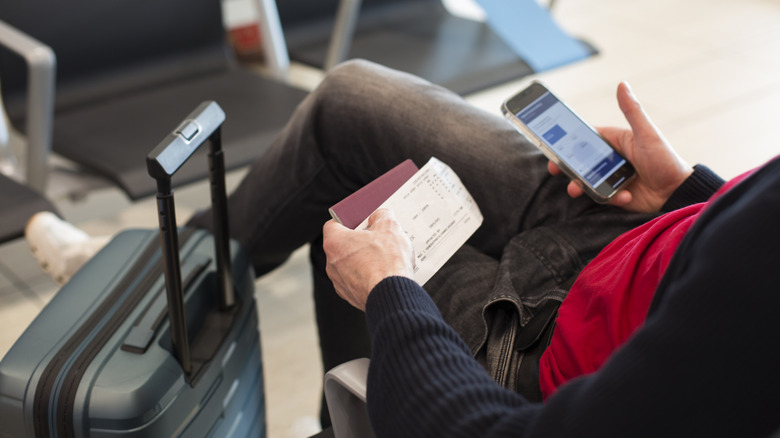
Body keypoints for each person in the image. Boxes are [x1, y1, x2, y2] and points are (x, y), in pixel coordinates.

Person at [25, 60, 780, 435]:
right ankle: (157, 272)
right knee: (350, 103)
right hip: (639, 235)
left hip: (544, 355)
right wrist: (691, 195)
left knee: (358, 223)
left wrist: (392, 294)